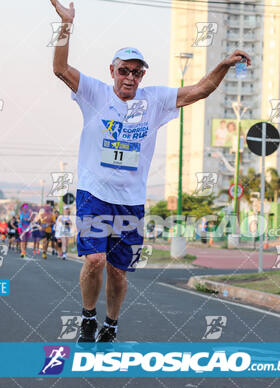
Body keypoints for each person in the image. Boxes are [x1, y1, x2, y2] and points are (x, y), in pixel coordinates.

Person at [50, 0, 250, 342]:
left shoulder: (154, 100)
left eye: (137, 72)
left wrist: (223, 65)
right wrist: (66, 25)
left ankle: (110, 324)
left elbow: (200, 90)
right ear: (112, 70)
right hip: (94, 193)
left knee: (118, 271)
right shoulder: (95, 93)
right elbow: (60, 68)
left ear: (143, 75)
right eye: (124, 70)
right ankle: (87, 317)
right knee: (95, 260)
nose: (130, 77)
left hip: (130, 200)